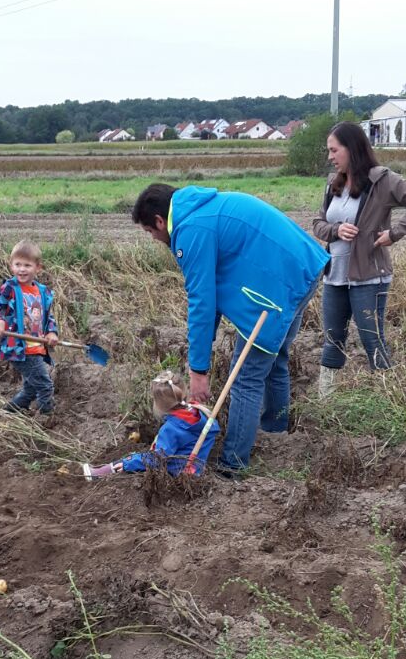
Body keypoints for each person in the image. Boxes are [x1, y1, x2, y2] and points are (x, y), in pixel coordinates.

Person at [132, 184, 328, 474]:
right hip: (302, 268)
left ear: (160, 221)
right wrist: (200, 361)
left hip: (281, 282)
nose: (153, 238)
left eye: (150, 231)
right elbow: (210, 295)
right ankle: (275, 437)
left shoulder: (191, 230)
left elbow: (201, 300)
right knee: (274, 361)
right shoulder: (199, 210)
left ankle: (232, 466)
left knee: (246, 378)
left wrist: (199, 372)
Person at [312, 121, 406, 398]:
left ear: (352, 148)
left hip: (369, 277)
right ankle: (326, 401)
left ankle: (389, 400)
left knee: (372, 340)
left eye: (334, 150)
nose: (330, 157)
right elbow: (318, 223)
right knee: (332, 340)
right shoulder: (333, 184)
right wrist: (335, 230)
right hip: (335, 277)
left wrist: (395, 233)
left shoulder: (382, 180)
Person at [83, 370, 220, 479]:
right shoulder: (203, 414)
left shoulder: (171, 430)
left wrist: (128, 463)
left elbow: (157, 459)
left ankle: (105, 471)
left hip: (176, 474)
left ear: (159, 405)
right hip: (196, 470)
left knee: (134, 461)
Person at [0, 241, 59, 414]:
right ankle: (46, 417)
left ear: (38, 268)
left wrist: (51, 332)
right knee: (45, 385)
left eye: (27, 265)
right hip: (19, 348)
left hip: (37, 346)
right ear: (11, 266)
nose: (22, 269)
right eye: (18, 265)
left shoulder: (43, 292)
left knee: (31, 388)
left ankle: (10, 410)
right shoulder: (10, 288)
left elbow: (48, 316)